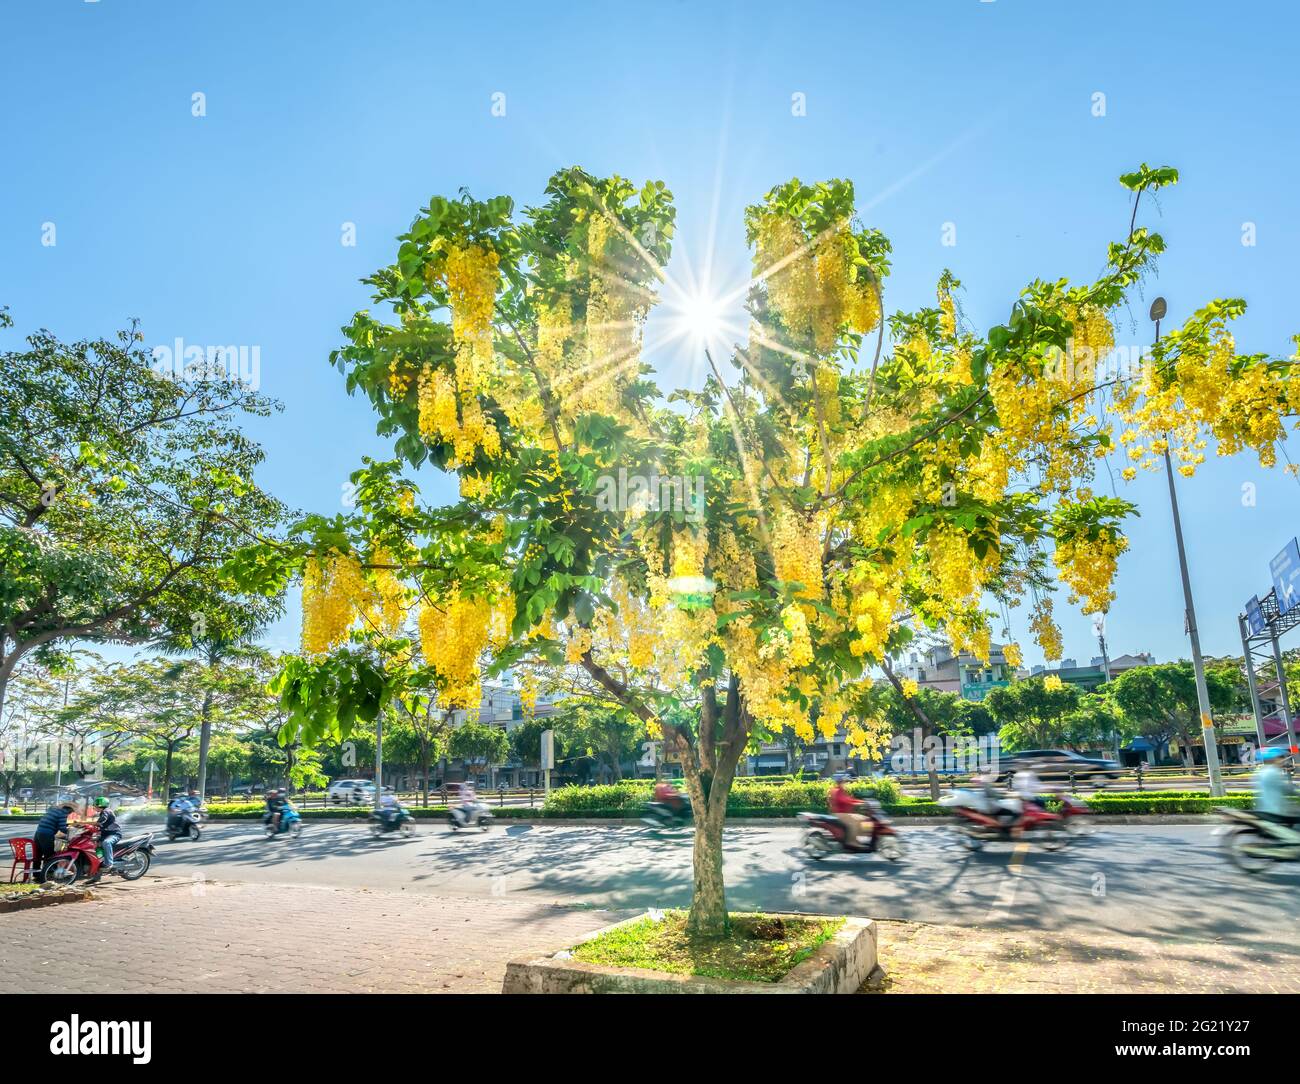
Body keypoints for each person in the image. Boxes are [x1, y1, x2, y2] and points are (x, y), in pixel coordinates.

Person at [32, 799, 77, 884]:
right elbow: (62, 828)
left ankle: (36, 875)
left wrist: (67, 825)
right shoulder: (63, 814)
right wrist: (73, 831)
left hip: (38, 833)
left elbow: (56, 823)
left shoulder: (54, 810)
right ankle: (48, 875)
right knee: (49, 855)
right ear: (69, 810)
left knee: (38, 855)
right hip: (46, 834)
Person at [1255, 748, 1299, 822]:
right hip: (1276, 811)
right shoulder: (1272, 772)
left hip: (1267, 809)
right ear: (1273, 759)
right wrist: (1296, 792)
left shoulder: (1264, 771)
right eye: (1280, 757)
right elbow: (1285, 789)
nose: (1283, 760)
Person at [828, 775, 866, 847]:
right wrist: (855, 803)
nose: (845, 784)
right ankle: (851, 841)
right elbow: (843, 800)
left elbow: (850, 799)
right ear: (840, 783)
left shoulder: (841, 791)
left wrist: (862, 802)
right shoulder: (836, 791)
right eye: (844, 782)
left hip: (844, 813)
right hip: (838, 814)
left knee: (860, 819)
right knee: (854, 822)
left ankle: (854, 839)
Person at [88, 796, 122, 874]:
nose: (94, 806)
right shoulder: (102, 812)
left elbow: (103, 819)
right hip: (105, 834)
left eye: (95, 805)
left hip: (114, 834)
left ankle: (109, 863)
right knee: (91, 842)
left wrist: (93, 823)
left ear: (99, 805)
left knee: (106, 843)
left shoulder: (106, 811)